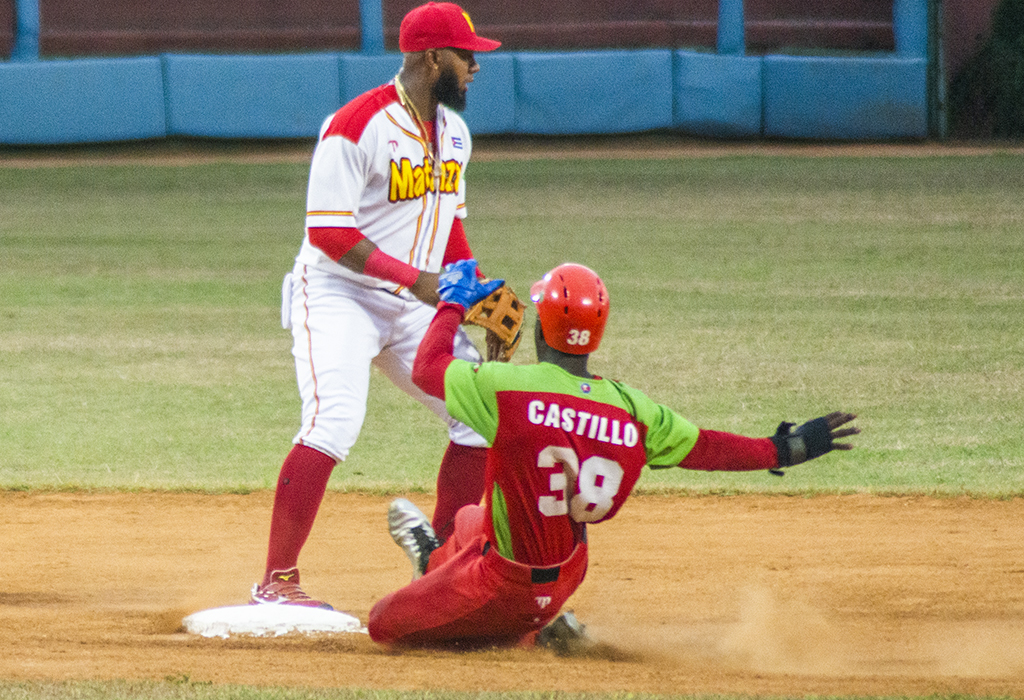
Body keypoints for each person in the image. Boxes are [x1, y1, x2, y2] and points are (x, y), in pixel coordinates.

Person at [367, 260, 860, 649]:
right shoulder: (632, 408)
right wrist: (785, 448)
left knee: (384, 626)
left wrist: (450, 302)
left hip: (508, 585)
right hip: (570, 570)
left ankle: (525, 632)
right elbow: (708, 448)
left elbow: (428, 367)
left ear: (541, 330)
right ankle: (441, 565)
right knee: (474, 518)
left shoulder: (506, 388)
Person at [250, 3, 503, 609]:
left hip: (415, 302)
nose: (475, 67)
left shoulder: (455, 134)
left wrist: (482, 293)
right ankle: (276, 582)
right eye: (467, 56)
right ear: (431, 57)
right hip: (339, 294)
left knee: (480, 417)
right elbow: (328, 233)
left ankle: (442, 565)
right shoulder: (356, 125)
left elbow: (450, 229)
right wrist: (413, 280)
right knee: (333, 421)